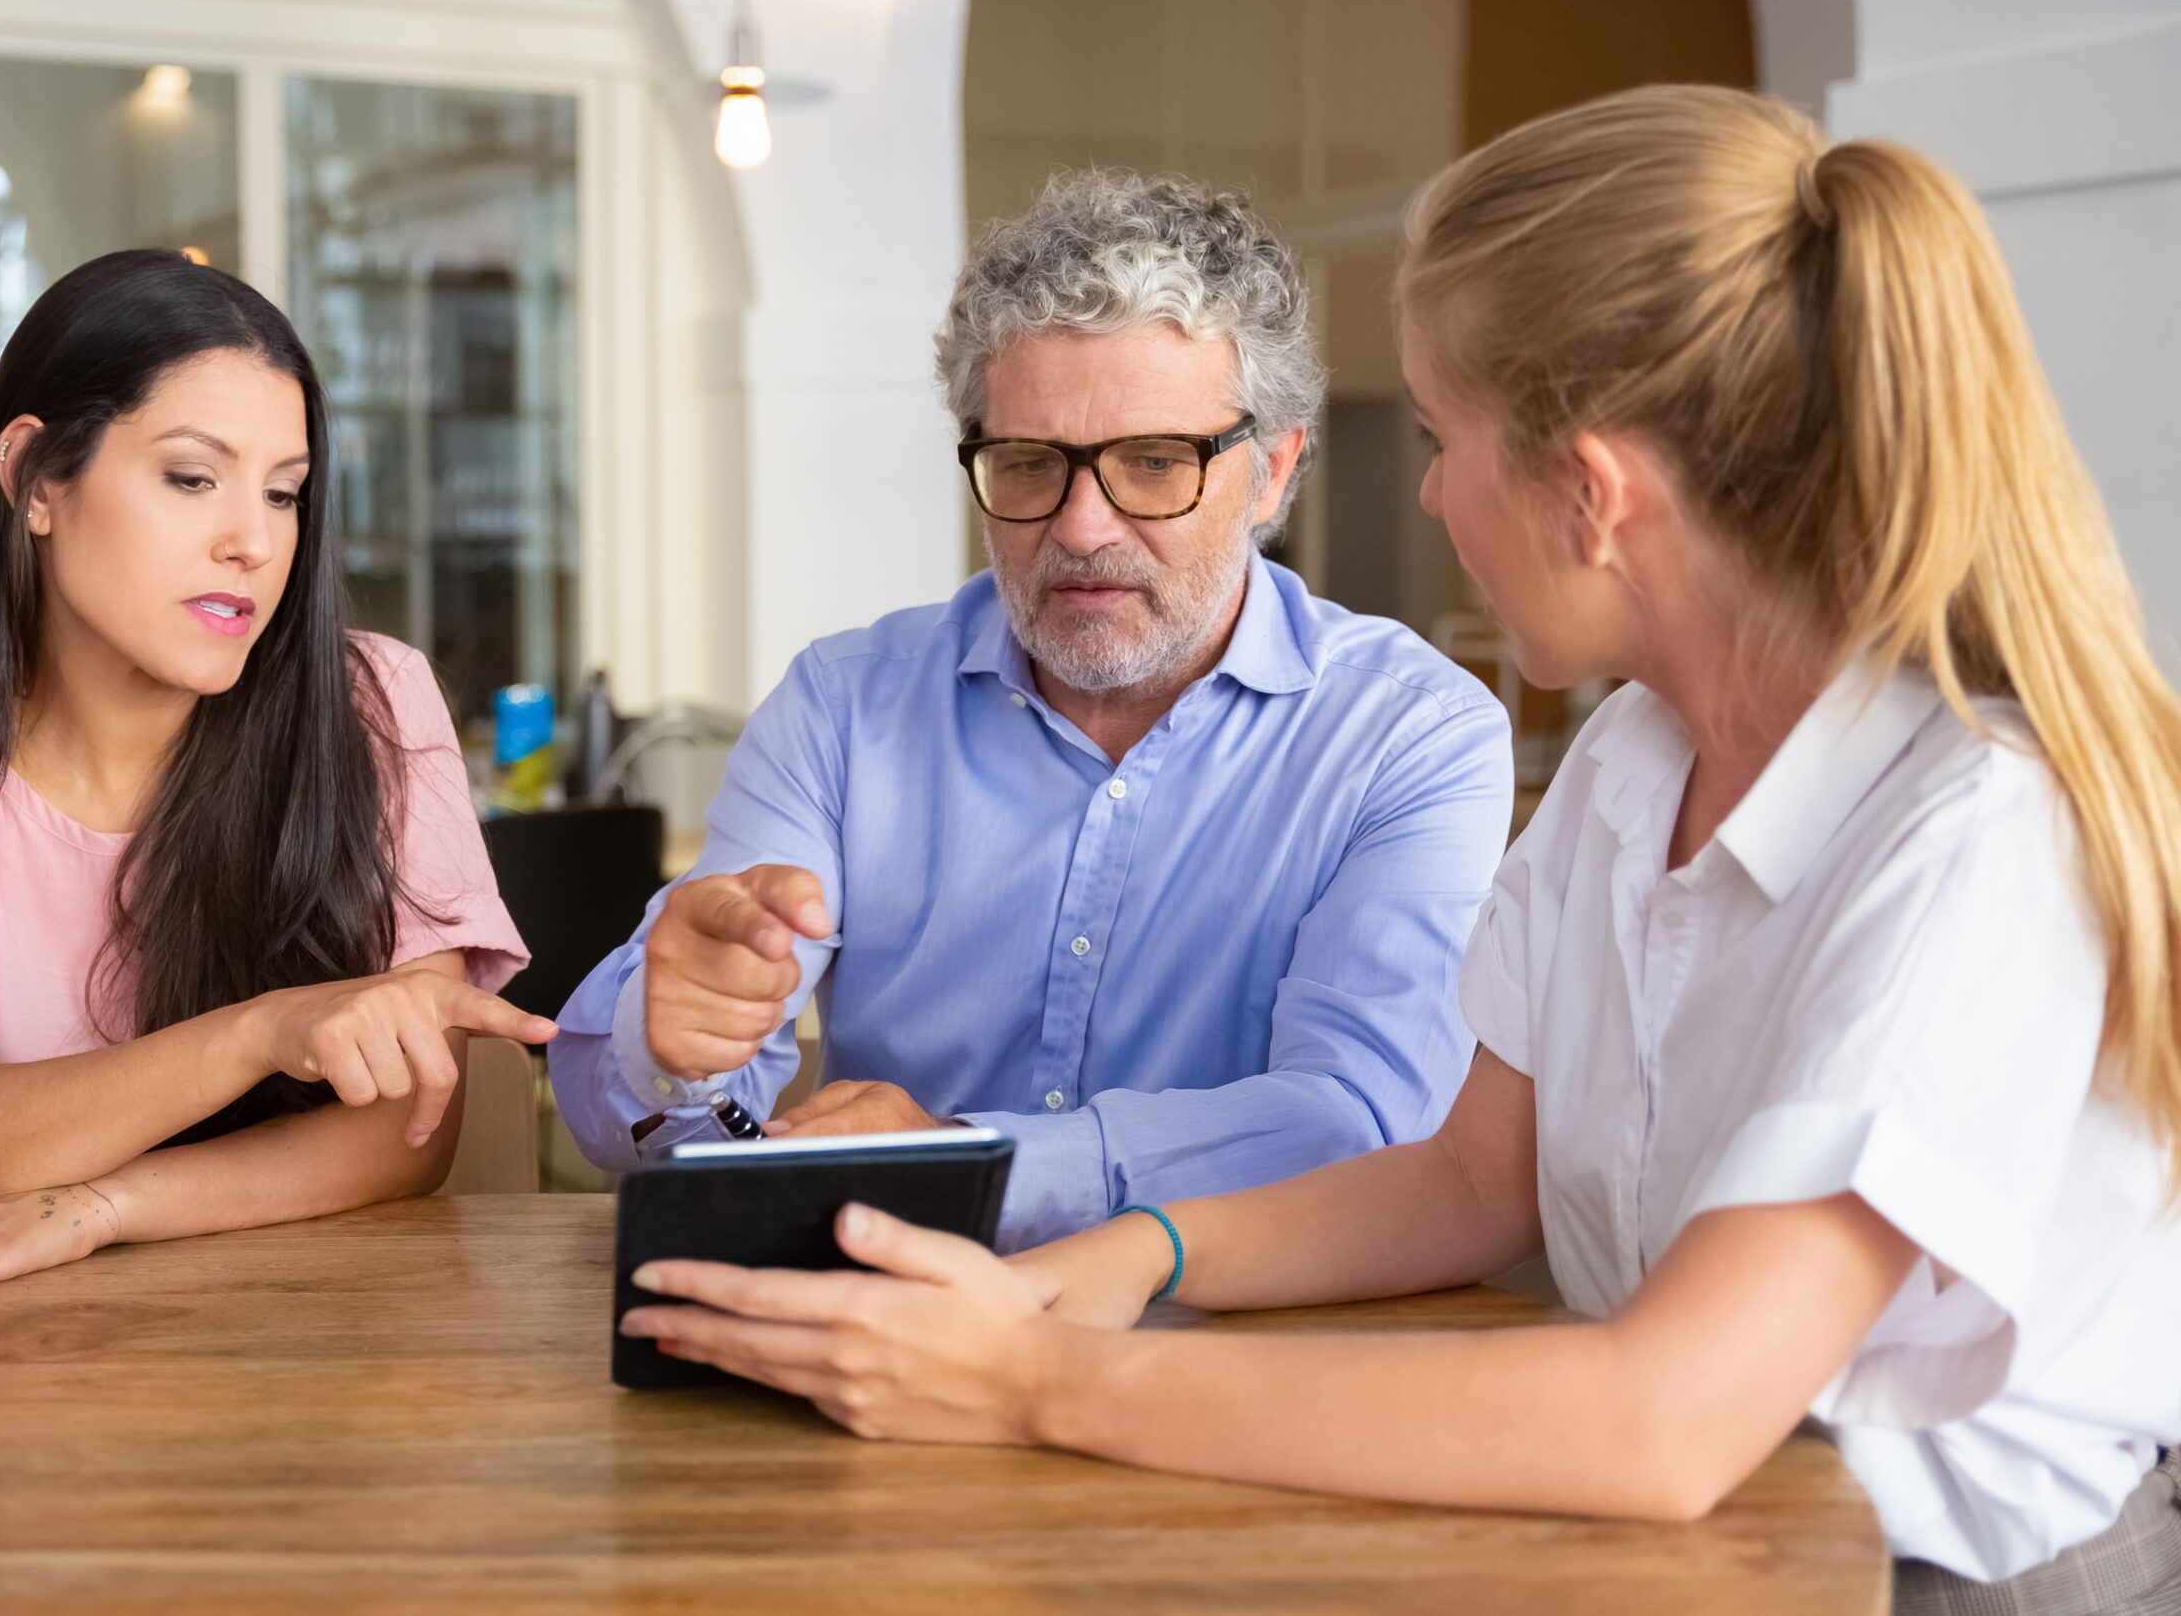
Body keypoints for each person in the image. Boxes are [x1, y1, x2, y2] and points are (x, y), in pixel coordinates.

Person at [616, 87, 2181, 1611]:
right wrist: (1116, 1254)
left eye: (1442, 438)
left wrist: (1035, 1376)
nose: (1427, 497)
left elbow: (1663, 1414)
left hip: (1950, 1580)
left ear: (1594, 493)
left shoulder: (1977, 833)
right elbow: (1468, 1177)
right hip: (1724, 1532)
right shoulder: (1634, 765)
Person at [551, 170, 1513, 1247]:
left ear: (1273, 472)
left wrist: (964, 1160)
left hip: (1239, 1353)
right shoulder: (842, 706)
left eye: (1155, 463)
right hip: (884, 1339)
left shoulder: (1410, 735)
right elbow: (632, 1129)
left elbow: (1366, 1124)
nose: (1083, 526)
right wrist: (670, 1049)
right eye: (1029, 464)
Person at [0, 250, 553, 1313]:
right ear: (34, 479)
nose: (254, 542)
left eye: (285, 493)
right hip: (21, 1375)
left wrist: (100, 1206)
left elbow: (405, 1135)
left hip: (338, 1348)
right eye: (191, 478)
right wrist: (263, 1031)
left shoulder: (371, 703)